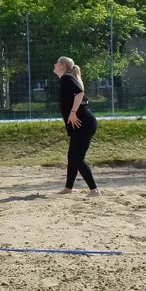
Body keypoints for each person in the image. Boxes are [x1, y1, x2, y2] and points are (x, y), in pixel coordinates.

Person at [54, 57, 100, 196]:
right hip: (81, 123)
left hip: (84, 122)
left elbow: (80, 93)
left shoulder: (66, 78)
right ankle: (68, 188)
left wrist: (73, 113)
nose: (54, 65)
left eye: (57, 63)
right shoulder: (67, 79)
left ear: (62, 66)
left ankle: (94, 190)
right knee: (72, 156)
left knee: (77, 158)